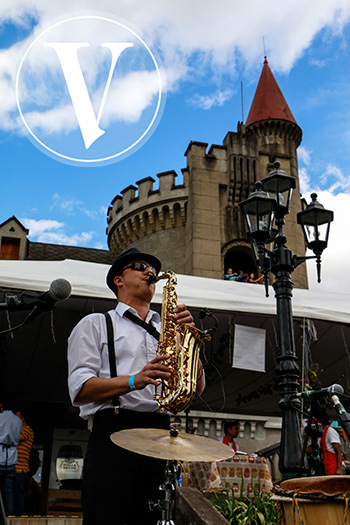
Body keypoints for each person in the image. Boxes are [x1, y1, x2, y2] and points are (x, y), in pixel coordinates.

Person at [68, 247, 204, 525]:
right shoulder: (96, 323)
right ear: (118, 279)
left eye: (152, 268)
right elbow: (80, 389)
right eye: (140, 266)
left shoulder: (167, 328)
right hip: (114, 431)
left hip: (161, 434)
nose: (149, 272)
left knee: (154, 519)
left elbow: (196, 388)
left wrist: (190, 341)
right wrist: (134, 380)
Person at [0, 403, 22, 516]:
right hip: (11, 459)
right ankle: (8, 518)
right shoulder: (18, 421)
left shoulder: (0, 417)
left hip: (0, 456)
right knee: (8, 492)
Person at [14, 410, 34, 516]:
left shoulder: (27, 430)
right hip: (15, 468)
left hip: (20, 469)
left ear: (22, 419)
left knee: (18, 495)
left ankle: (18, 517)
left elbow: (16, 437)